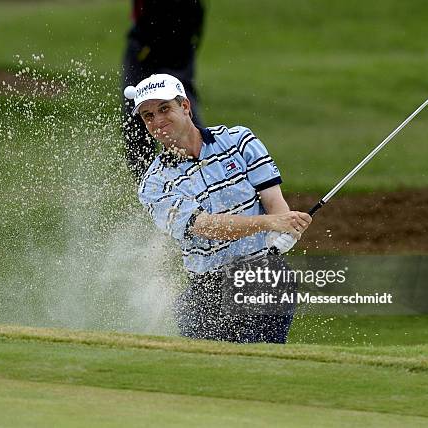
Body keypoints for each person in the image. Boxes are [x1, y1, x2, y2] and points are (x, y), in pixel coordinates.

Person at [126, 74, 312, 343]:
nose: (157, 121)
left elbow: (274, 201)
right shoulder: (154, 185)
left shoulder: (239, 141)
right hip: (207, 289)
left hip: (263, 274)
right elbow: (207, 227)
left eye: (164, 109)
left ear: (185, 107)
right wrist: (272, 224)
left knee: (258, 363)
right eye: (148, 116)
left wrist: (285, 231)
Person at [121, 0, 205, 181]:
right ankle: (148, 182)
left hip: (170, 42)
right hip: (157, 40)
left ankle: (202, 168)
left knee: (179, 105)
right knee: (141, 111)